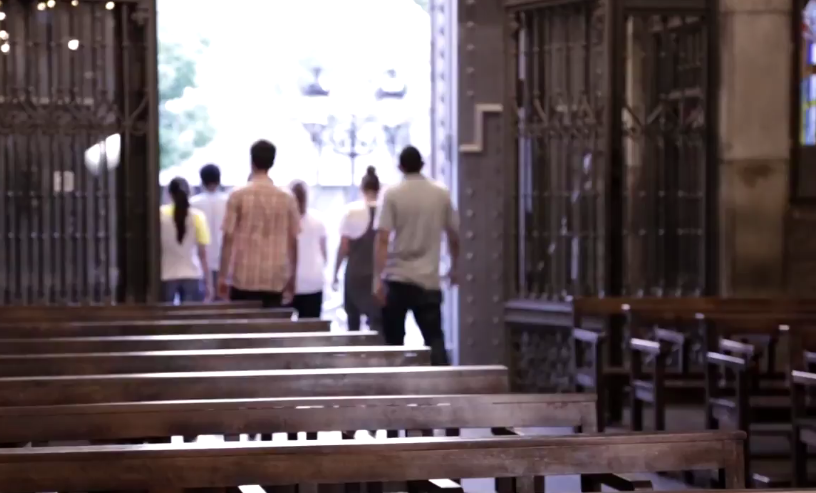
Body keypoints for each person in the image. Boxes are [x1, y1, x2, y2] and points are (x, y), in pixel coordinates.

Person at [373, 146, 460, 365]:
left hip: (397, 278)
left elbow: (383, 238)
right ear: (422, 165)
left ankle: (394, 383)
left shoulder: (392, 194)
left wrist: (378, 278)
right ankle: (443, 380)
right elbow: (453, 234)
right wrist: (455, 266)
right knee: (434, 339)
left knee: (393, 344)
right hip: (428, 279)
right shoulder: (441, 193)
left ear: (400, 166)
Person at [218, 140, 300, 308]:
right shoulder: (287, 198)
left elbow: (228, 238)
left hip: (243, 277)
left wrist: (222, 276)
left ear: (252, 161)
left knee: (243, 323)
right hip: (275, 278)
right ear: (273, 162)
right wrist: (293, 278)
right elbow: (293, 241)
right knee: (272, 324)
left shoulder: (237, 195)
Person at [333, 166, 382, 333]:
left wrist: (335, 273)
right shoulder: (385, 211)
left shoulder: (351, 211)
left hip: (355, 273)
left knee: (353, 322)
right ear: (378, 189)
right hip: (377, 275)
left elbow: (344, 247)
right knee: (378, 324)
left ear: (362, 188)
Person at [160, 177, 212, 303]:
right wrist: (209, 283)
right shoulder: (198, 217)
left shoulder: (160, 215)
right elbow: (203, 254)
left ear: (169, 194)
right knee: (191, 315)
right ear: (189, 193)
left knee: (164, 314)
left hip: (166, 274)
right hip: (192, 273)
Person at [290, 180, 327, 318]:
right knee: (311, 326)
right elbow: (324, 253)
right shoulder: (318, 220)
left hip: (289, 281)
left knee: (283, 327)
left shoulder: (285, 221)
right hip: (313, 280)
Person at [191, 164, 228, 293]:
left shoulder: (193, 203)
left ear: (202, 180)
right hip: (224, 260)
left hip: (200, 261)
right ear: (219, 179)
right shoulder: (228, 201)